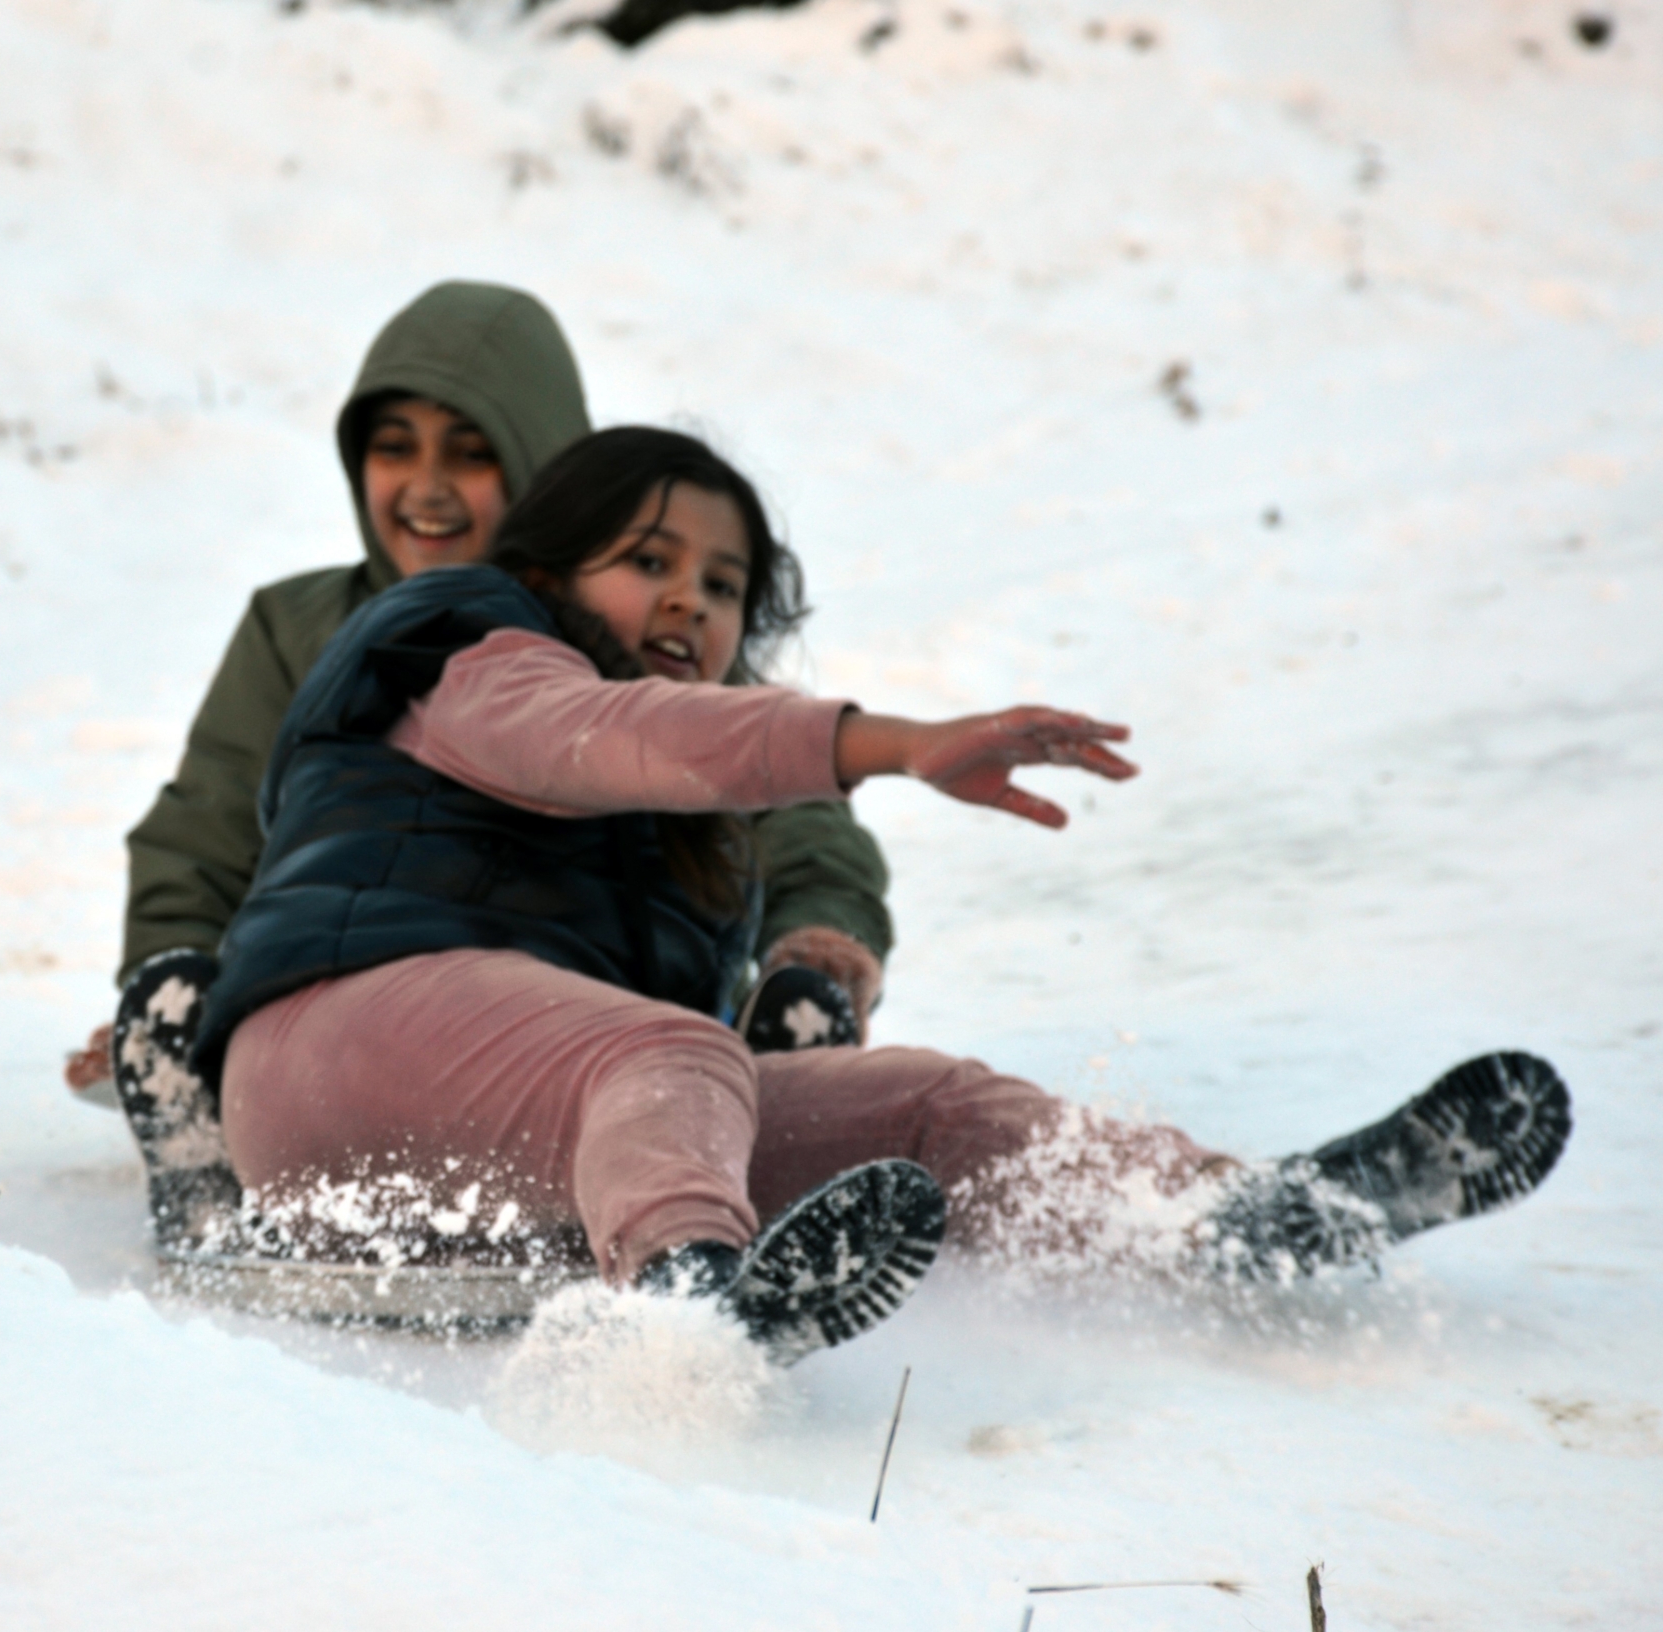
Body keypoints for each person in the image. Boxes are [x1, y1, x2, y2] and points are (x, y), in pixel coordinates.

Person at [183, 426, 1573, 1363]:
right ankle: (691, 1320)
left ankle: (1231, 1219)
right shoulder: (476, 649)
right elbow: (619, 740)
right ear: (546, 569)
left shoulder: (689, 840)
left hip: (517, 1150)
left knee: (925, 1105)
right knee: (668, 1049)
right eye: (648, 561)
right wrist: (893, 745)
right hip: (329, 1062)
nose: (688, 604)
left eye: (721, 585)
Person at [87, 284, 896, 1237]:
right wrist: (183, 973)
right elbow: (206, 832)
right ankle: (205, 1156)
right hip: (350, 1019)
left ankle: (706, 1164)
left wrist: (817, 947)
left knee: (725, 1044)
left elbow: (798, 819)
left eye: (471, 456)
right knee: (187, 993)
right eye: (395, 448)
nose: (426, 489)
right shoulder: (297, 630)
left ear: (545, 472)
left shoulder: (650, 640)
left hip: (571, 1023)